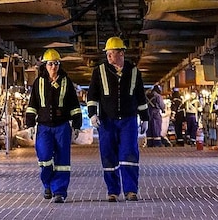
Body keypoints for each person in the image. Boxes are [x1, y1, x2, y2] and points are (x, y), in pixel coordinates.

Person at [87, 36, 149, 202]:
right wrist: (92, 114)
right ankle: (113, 191)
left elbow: (140, 97)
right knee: (108, 155)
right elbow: (92, 95)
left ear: (121, 53)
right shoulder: (99, 71)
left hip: (128, 120)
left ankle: (130, 191)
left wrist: (145, 118)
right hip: (107, 121)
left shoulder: (134, 72)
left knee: (129, 153)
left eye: (112, 53)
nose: (108, 56)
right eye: (107, 53)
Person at [25, 48, 82, 203]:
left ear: (59, 65)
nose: (53, 67)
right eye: (50, 64)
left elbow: (74, 105)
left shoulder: (66, 82)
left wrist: (77, 125)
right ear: (45, 65)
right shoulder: (39, 82)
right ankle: (47, 184)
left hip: (62, 127)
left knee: (62, 161)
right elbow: (32, 105)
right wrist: (30, 124)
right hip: (44, 127)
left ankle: (59, 192)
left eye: (56, 64)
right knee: (44, 158)